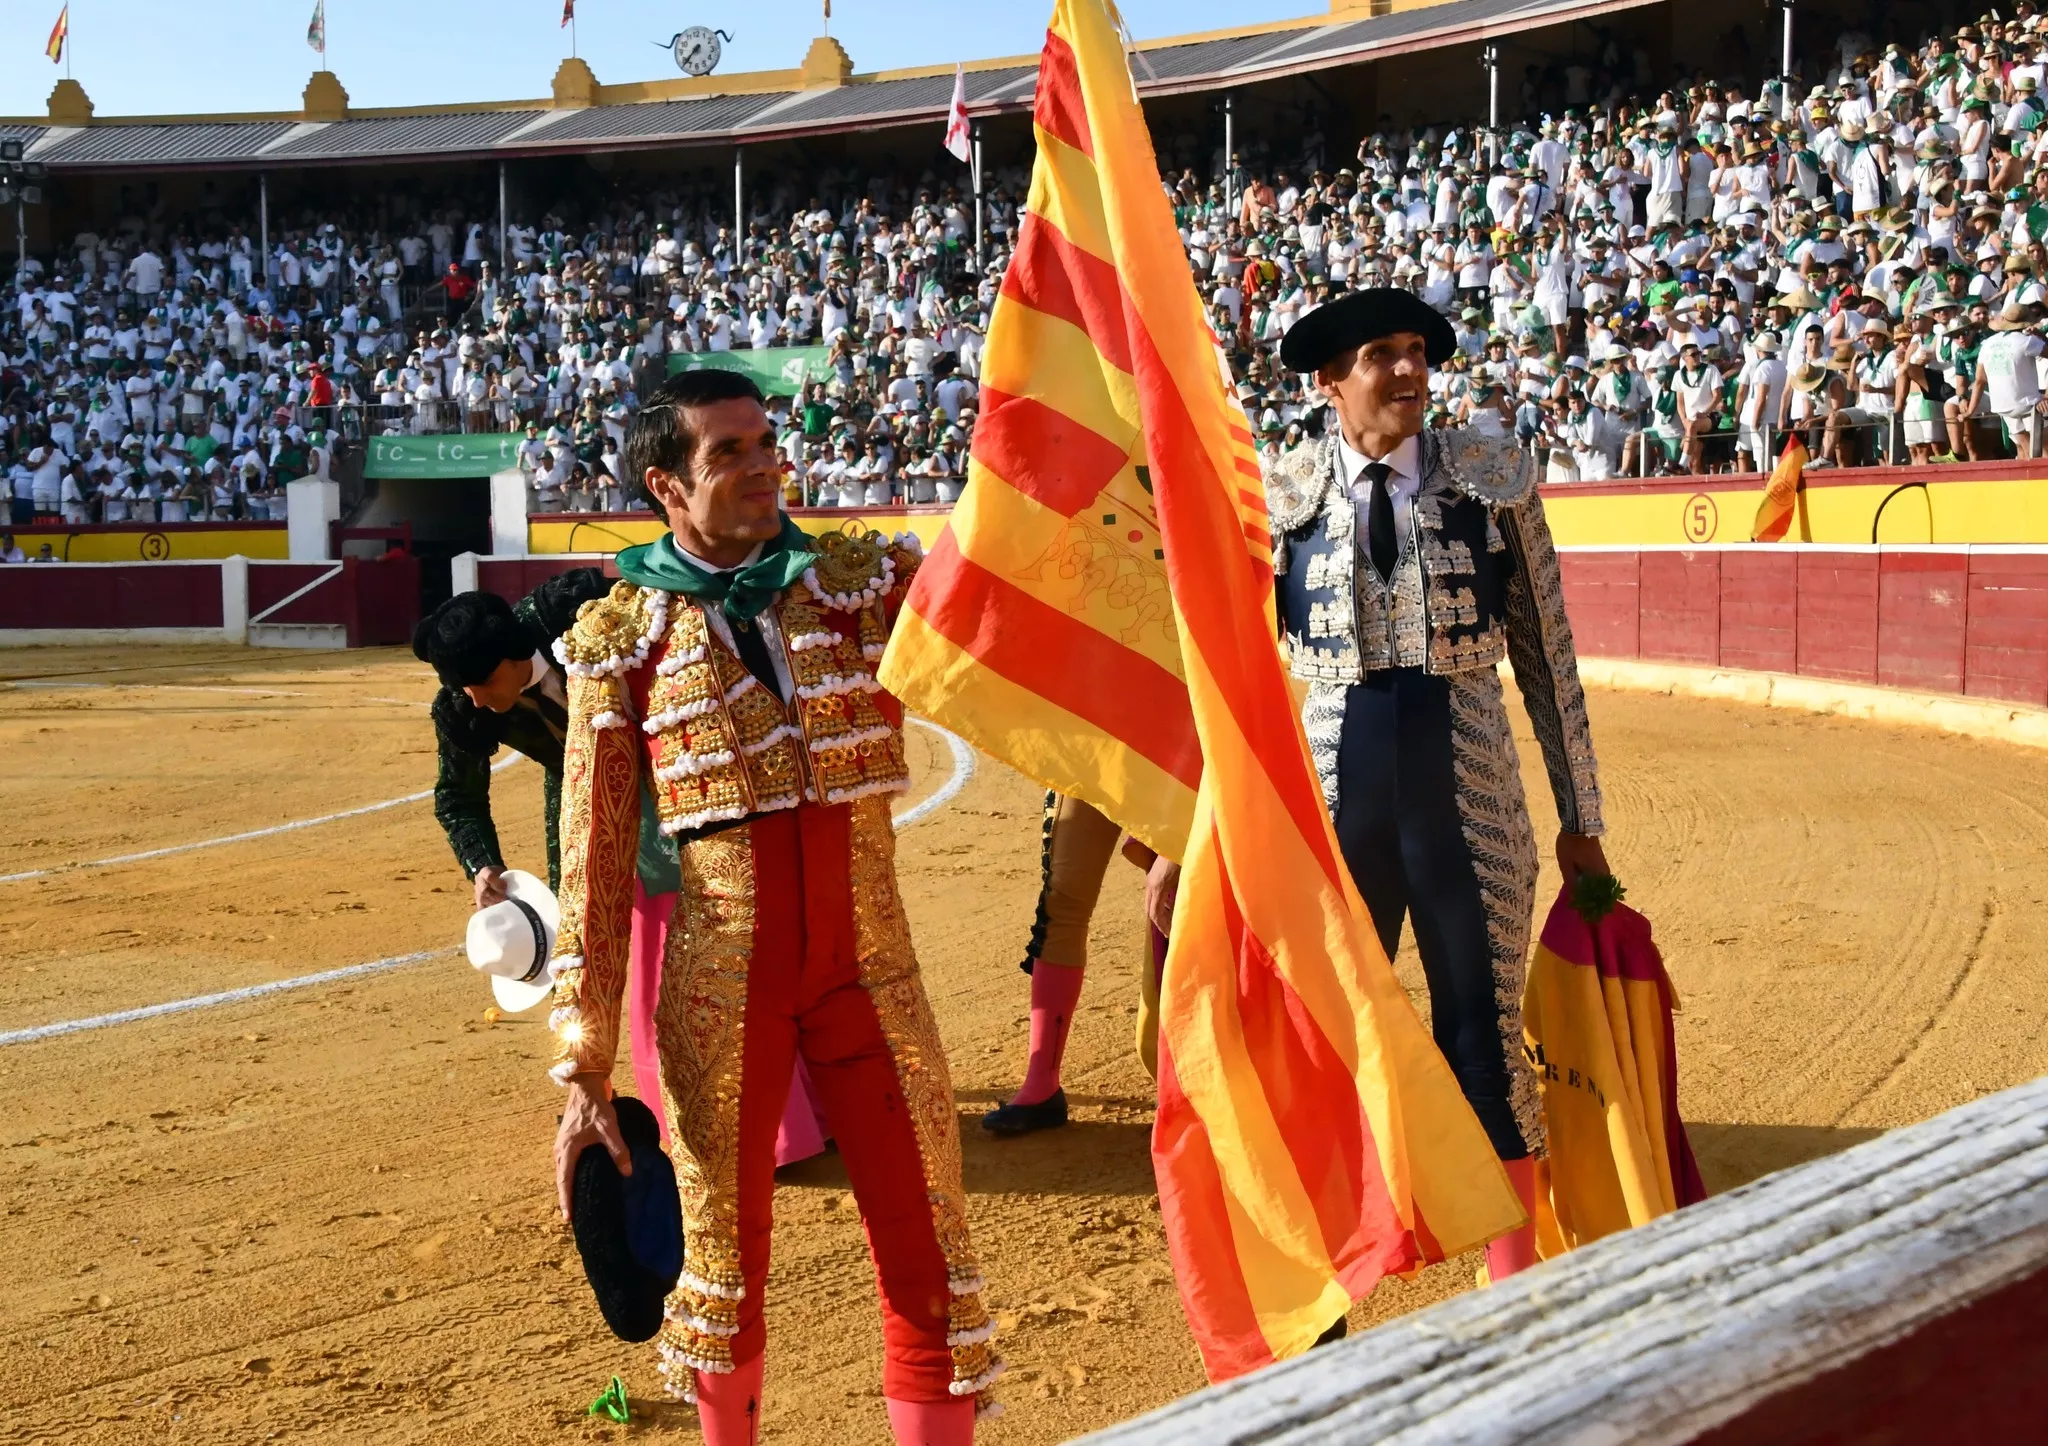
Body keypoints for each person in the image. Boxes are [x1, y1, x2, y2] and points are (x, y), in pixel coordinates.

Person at [545, 368, 998, 1442]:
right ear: (665, 483)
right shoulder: (621, 639)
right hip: (719, 989)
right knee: (723, 1269)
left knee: (928, 1251)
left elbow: (998, 608)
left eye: (765, 443)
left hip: (870, 977)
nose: (761, 468)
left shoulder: (855, 579)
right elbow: (595, 862)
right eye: (727, 454)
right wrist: (584, 1048)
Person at [1244, 288, 1610, 1294]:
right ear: (1329, 381)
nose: (1407, 372)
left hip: (1468, 784)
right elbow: (1229, 672)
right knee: (1321, 1045)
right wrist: (1196, 828)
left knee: (1481, 1035)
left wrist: (1582, 819)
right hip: (1331, 795)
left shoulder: (1490, 479)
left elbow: (1547, 657)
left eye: (1416, 352)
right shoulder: (1275, 492)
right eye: (1379, 356)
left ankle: (1511, 1287)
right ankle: (1328, 1286)